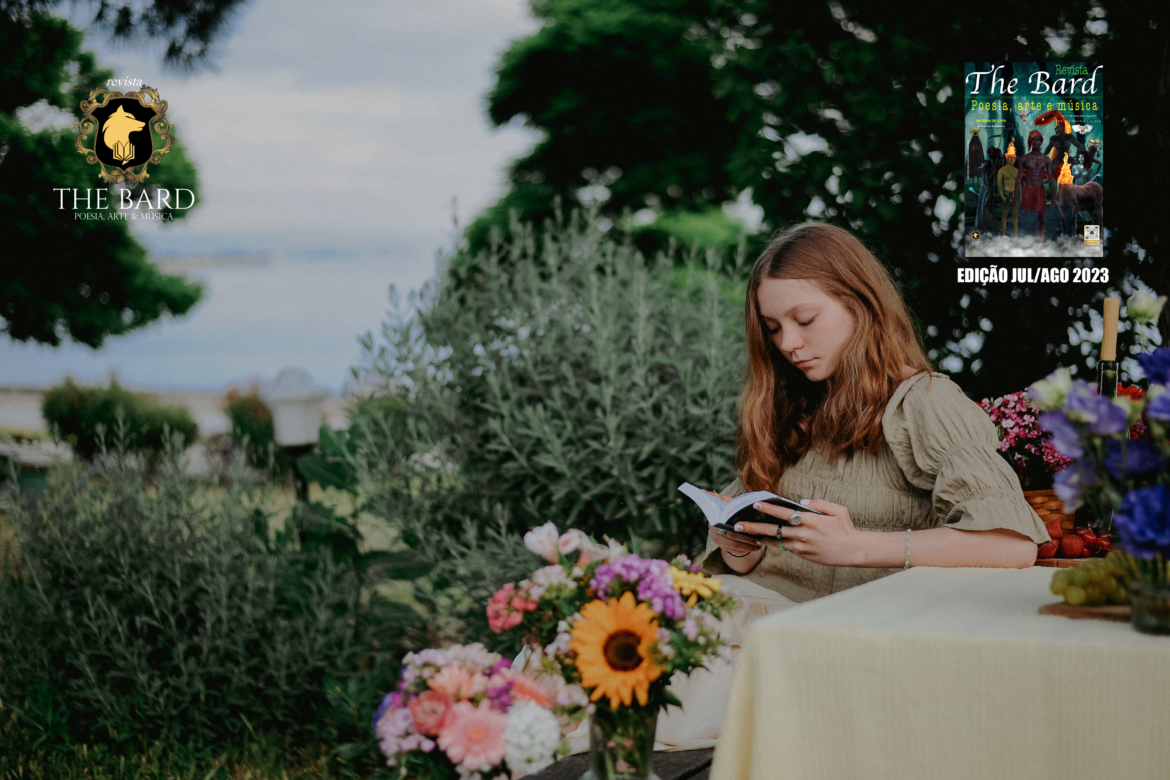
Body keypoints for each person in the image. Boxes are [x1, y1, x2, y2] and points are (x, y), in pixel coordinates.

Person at [698, 222, 1048, 604]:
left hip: (843, 633)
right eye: (773, 328)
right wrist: (737, 544)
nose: (788, 343)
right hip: (754, 609)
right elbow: (748, 564)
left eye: (805, 320)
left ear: (860, 303)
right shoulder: (788, 402)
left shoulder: (924, 401)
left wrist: (856, 547)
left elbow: (1012, 545)